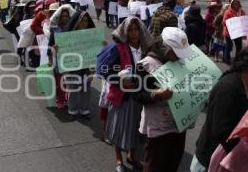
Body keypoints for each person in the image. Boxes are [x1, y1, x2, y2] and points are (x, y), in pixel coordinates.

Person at [135, 27, 194, 172]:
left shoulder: (181, 62)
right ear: (165, 49)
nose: (180, 57)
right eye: (176, 53)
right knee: (155, 164)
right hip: (158, 128)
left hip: (179, 124)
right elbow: (137, 95)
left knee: (173, 161)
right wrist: (157, 94)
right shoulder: (146, 65)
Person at [101, 17, 151, 172]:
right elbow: (106, 71)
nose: (134, 33)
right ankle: (118, 159)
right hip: (122, 97)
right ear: (125, 31)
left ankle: (132, 156)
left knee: (137, 128)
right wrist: (121, 82)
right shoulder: (118, 48)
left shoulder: (146, 48)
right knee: (118, 128)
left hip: (140, 96)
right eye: (130, 30)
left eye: (136, 29)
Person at [191, 48, 248, 172]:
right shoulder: (229, 88)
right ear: (245, 69)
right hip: (210, 158)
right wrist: (243, 153)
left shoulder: (241, 85)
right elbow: (221, 130)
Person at [57, 11, 95, 120]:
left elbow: (95, 51)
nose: (85, 23)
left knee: (86, 88)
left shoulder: (91, 35)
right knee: (73, 88)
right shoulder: (68, 36)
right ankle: (72, 111)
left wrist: (102, 46)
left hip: (86, 67)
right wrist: (57, 48)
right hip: (72, 66)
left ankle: (85, 110)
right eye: (82, 21)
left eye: (86, 21)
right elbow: (61, 50)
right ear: (77, 22)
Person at [47, 4, 76, 109]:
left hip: (71, 59)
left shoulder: (74, 29)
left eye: (67, 16)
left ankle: (68, 98)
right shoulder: (55, 30)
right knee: (60, 82)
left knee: (69, 80)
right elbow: (49, 46)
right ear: (59, 18)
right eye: (63, 16)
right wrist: (50, 57)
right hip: (58, 60)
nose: (65, 18)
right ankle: (60, 99)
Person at [223, 0, 246, 65]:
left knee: (239, 47)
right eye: (234, 3)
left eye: (237, 3)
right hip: (229, 32)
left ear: (239, 4)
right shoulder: (228, 12)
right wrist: (233, 21)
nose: (236, 5)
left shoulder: (242, 12)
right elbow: (224, 22)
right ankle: (227, 59)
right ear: (232, 4)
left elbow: (244, 20)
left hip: (238, 33)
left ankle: (237, 60)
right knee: (228, 46)